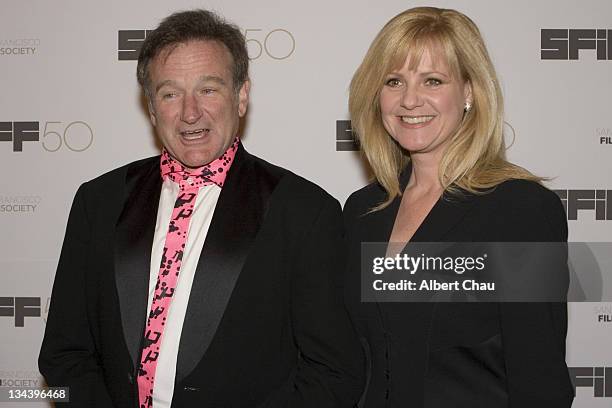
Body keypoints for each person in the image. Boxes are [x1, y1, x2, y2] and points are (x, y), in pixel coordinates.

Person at [39, 9, 363, 408]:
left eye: (208, 89)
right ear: (152, 107)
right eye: (170, 93)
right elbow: (63, 355)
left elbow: (335, 374)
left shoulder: (303, 212)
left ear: (241, 95)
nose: (190, 113)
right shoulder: (98, 201)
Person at [344, 7, 574, 408]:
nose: (410, 99)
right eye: (394, 81)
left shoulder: (521, 210)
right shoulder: (364, 210)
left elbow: (540, 380)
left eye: (433, 80)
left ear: (469, 92)